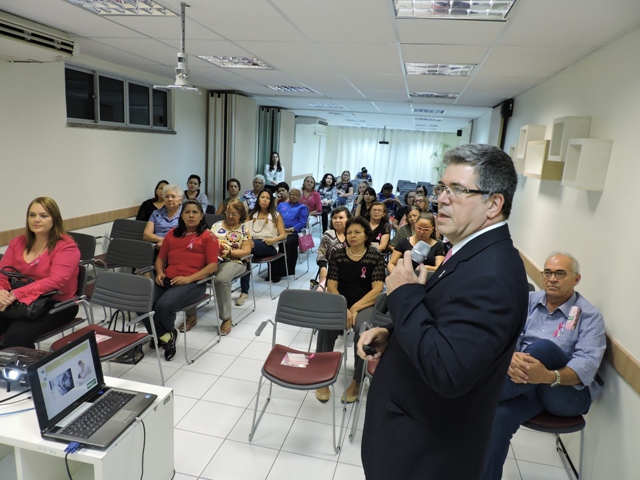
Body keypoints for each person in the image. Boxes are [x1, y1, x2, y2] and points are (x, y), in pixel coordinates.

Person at [357, 144, 529, 479]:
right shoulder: (470, 252)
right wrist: (393, 336)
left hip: (425, 451)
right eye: (442, 188)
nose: (442, 199)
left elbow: (448, 371)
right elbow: (447, 327)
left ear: (494, 204)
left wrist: (405, 294)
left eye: (458, 190)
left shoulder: (492, 274)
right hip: (408, 434)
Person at [481, 252, 606, 480]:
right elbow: (503, 336)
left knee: (544, 349)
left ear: (576, 279)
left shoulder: (589, 316)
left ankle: (477, 398)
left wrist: (547, 376)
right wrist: (511, 356)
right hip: (525, 387)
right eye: (547, 272)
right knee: (499, 418)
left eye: (560, 273)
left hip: (566, 394)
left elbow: (585, 366)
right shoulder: (528, 302)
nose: (552, 278)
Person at [315, 216, 385, 403]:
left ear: (366, 235)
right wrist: (344, 307)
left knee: (363, 330)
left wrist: (354, 309)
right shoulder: (338, 255)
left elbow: (378, 289)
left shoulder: (375, 256)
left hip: (365, 303)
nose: (352, 235)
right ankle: (321, 374)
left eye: (357, 232)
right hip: (340, 301)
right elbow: (332, 285)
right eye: (349, 232)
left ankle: (357, 379)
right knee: (326, 327)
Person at [0, 197, 80, 349]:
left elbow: (56, 281)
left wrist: (16, 294)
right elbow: (2, 273)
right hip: (18, 300)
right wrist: (2, 291)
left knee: (16, 336)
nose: (36, 220)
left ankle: (26, 371)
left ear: (54, 219)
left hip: (56, 303)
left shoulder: (66, 246)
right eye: (32, 215)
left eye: (43, 216)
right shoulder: (17, 242)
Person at [145, 200, 218, 360]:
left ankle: (161, 337)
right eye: (187, 212)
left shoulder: (208, 236)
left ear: (201, 216)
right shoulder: (172, 234)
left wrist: (188, 278)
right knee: (142, 302)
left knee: (163, 306)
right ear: (182, 215)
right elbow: (160, 259)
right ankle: (165, 336)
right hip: (167, 279)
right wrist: (159, 272)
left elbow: (212, 266)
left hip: (193, 283)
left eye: (195, 212)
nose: (191, 215)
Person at [237, 190, 287, 306]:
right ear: (258, 199)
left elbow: (283, 234)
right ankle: (244, 292)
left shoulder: (275, 215)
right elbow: (243, 229)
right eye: (262, 197)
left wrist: (273, 240)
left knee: (246, 250)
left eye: (267, 198)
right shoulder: (252, 214)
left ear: (271, 201)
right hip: (253, 245)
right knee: (247, 256)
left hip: (269, 245)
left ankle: (241, 288)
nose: (264, 200)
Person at [210, 199, 252, 336]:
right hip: (213, 259)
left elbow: (246, 251)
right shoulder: (216, 225)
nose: (230, 217)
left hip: (235, 261)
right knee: (190, 271)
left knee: (220, 280)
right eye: (228, 213)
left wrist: (229, 252)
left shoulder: (244, 229)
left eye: (234, 214)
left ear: (240, 215)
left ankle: (226, 318)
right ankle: (191, 315)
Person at [270, 184, 308, 282]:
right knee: (270, 243)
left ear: (300, 197)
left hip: (293, 233)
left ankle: (280, 272)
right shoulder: (282, 205)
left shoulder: (302, 207)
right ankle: (272, 271)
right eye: (292, 194)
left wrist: (290, 229)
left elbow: (302, 223)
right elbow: (274, 216)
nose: (294, 196)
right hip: (279, 231)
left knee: (285, 244)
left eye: (297, 195)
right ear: (289, 194)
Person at [315, 206, 351, 283]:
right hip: (332, 274)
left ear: (349, 219)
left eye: (341, 218)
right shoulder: (328, 235)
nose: (337, 221)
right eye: (334, 218)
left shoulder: (353, 235)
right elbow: (321, 253)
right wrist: (323, 267)